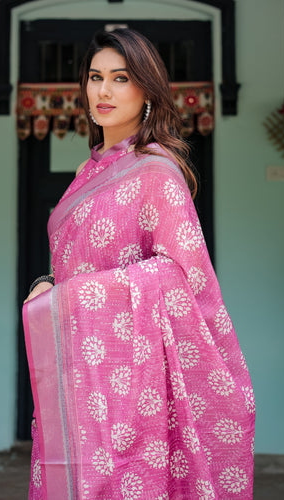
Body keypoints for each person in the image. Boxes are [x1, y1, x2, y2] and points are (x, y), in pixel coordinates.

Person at [23, 28, 255, 500]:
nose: (103, 91)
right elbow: (76, 262)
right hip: (82, 375)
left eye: (120, 78)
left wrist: (70, 296)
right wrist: (50, 282)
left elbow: (177, 277)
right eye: (94, 77)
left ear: (146, 89)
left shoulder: (155, 171)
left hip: (136, 390)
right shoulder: (89, 171)